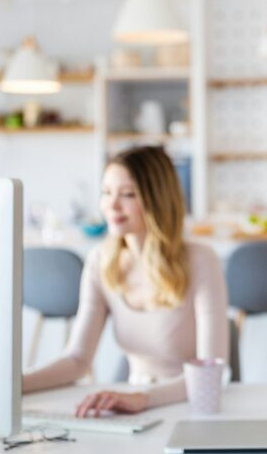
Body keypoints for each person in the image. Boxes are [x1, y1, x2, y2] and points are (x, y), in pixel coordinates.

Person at [23, 145, 228, 415]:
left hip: (188, 407)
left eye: (128, 194)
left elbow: (209, 373)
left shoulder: (201, 260)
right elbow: (77, 360)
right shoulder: (100, 261)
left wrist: (143, 398)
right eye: (106, 192)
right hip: (135, 408)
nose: (112, 205)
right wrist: (18, 384)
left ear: (157, 199)